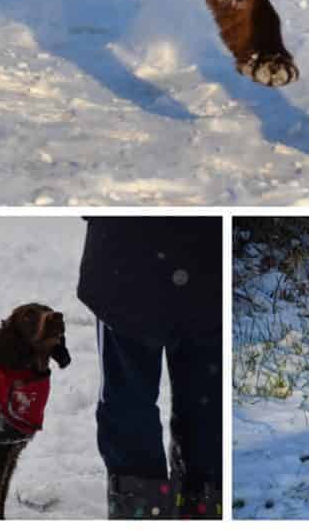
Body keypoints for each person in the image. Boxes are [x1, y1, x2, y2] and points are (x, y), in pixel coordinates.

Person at [77, 216, 221, 519]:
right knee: (205, 404)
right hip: (201, 266)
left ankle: (142, 511)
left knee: (130, 403)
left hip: (127, 266)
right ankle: (202, 506)